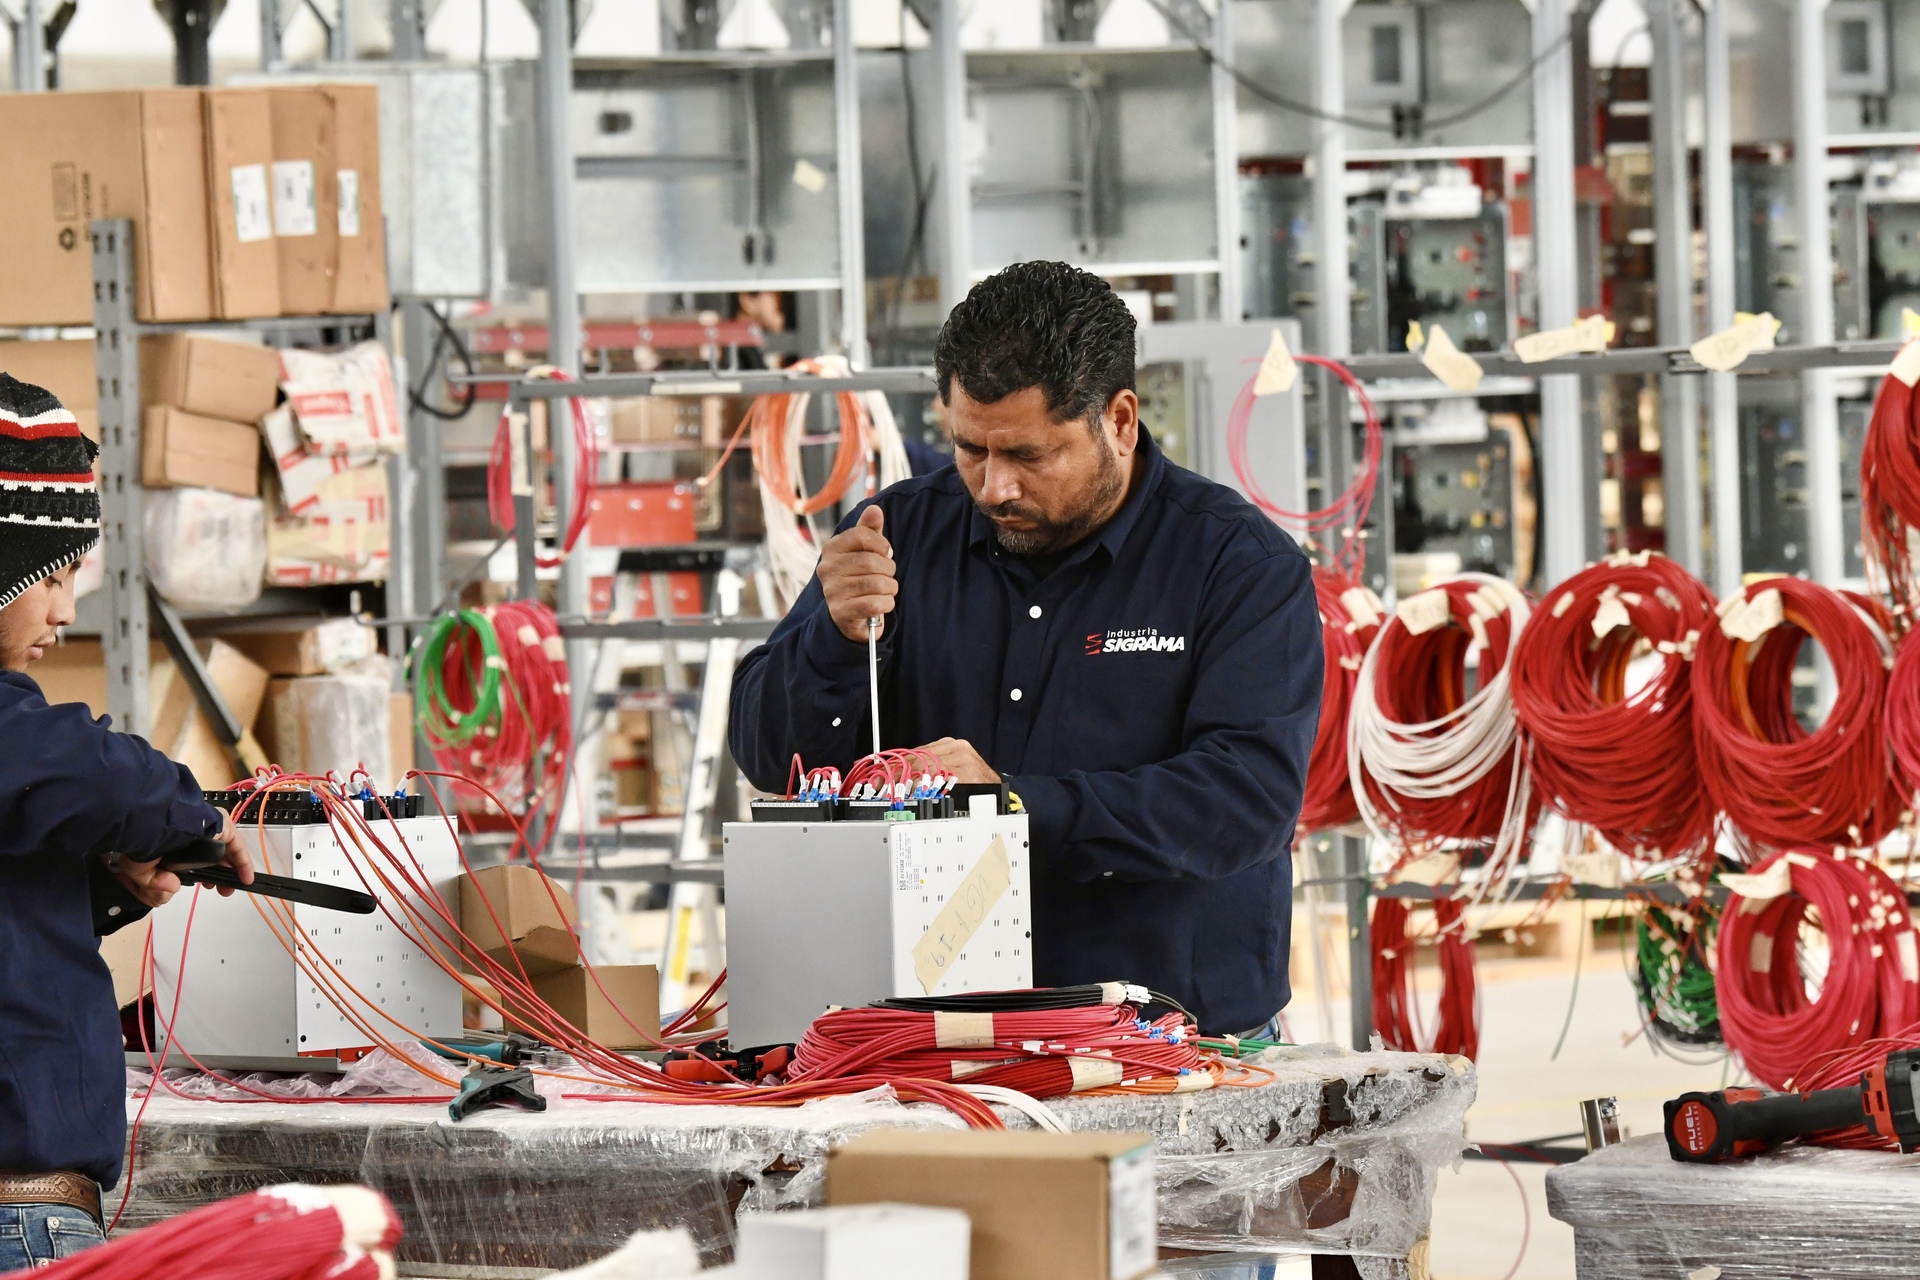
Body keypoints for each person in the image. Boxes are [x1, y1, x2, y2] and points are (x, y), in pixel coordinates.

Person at [729, 262, 1322, 1034]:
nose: (993, 487)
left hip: (1170, 1042)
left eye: (1028, 456)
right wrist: (833, 640)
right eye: (969, 449)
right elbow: (770, 756)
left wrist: (1010, 806)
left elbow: (1245, 801)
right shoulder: (897, 537)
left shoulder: (1237, 566)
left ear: (1119, 420)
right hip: (934, 1033)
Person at [0, 373, 253, 1270]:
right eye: (53, 574)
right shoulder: (16, 738)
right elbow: (80, 767)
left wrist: (98, 885)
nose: (67, 611)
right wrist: (196, 817)